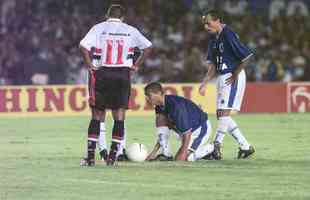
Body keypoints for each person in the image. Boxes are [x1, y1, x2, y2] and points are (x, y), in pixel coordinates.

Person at [79, 4, 152, 166]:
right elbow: (148, 47)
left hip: (102, 72)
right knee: (119, 117)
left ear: (107, 15)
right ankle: (112, 157)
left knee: (97, 115)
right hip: (122, 74)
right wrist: (136, 65)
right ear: (122, 17)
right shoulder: (131, 30)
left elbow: (83, 46)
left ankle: (90, 158)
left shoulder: (98, 28)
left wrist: (90, 64)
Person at [199, 10, 255, 160]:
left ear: (217, 20)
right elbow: (213, 66)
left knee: (224, 113)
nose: (206, 27)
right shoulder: (213, 39)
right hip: (222, 76)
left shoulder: (228, 34)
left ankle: (216, 147)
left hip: (231, 75)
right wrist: (204, 82)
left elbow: (247, 56)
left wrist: (235, 74)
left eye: (208, 23)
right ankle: (245, 146)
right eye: (204, 24)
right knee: (220, 114)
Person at [144, 82, 214, 162]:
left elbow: (187, 134)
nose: (147, 99)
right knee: (161, 119)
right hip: (184, 131)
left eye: (149, 96)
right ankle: (166, 154)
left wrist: (183, 155)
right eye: (146, 96)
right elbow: (163, 132)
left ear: (159, 93)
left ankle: (212, 148)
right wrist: (153, 152)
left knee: (186, 159)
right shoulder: (159, 106)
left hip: (199, 130)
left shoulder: (176, 107)